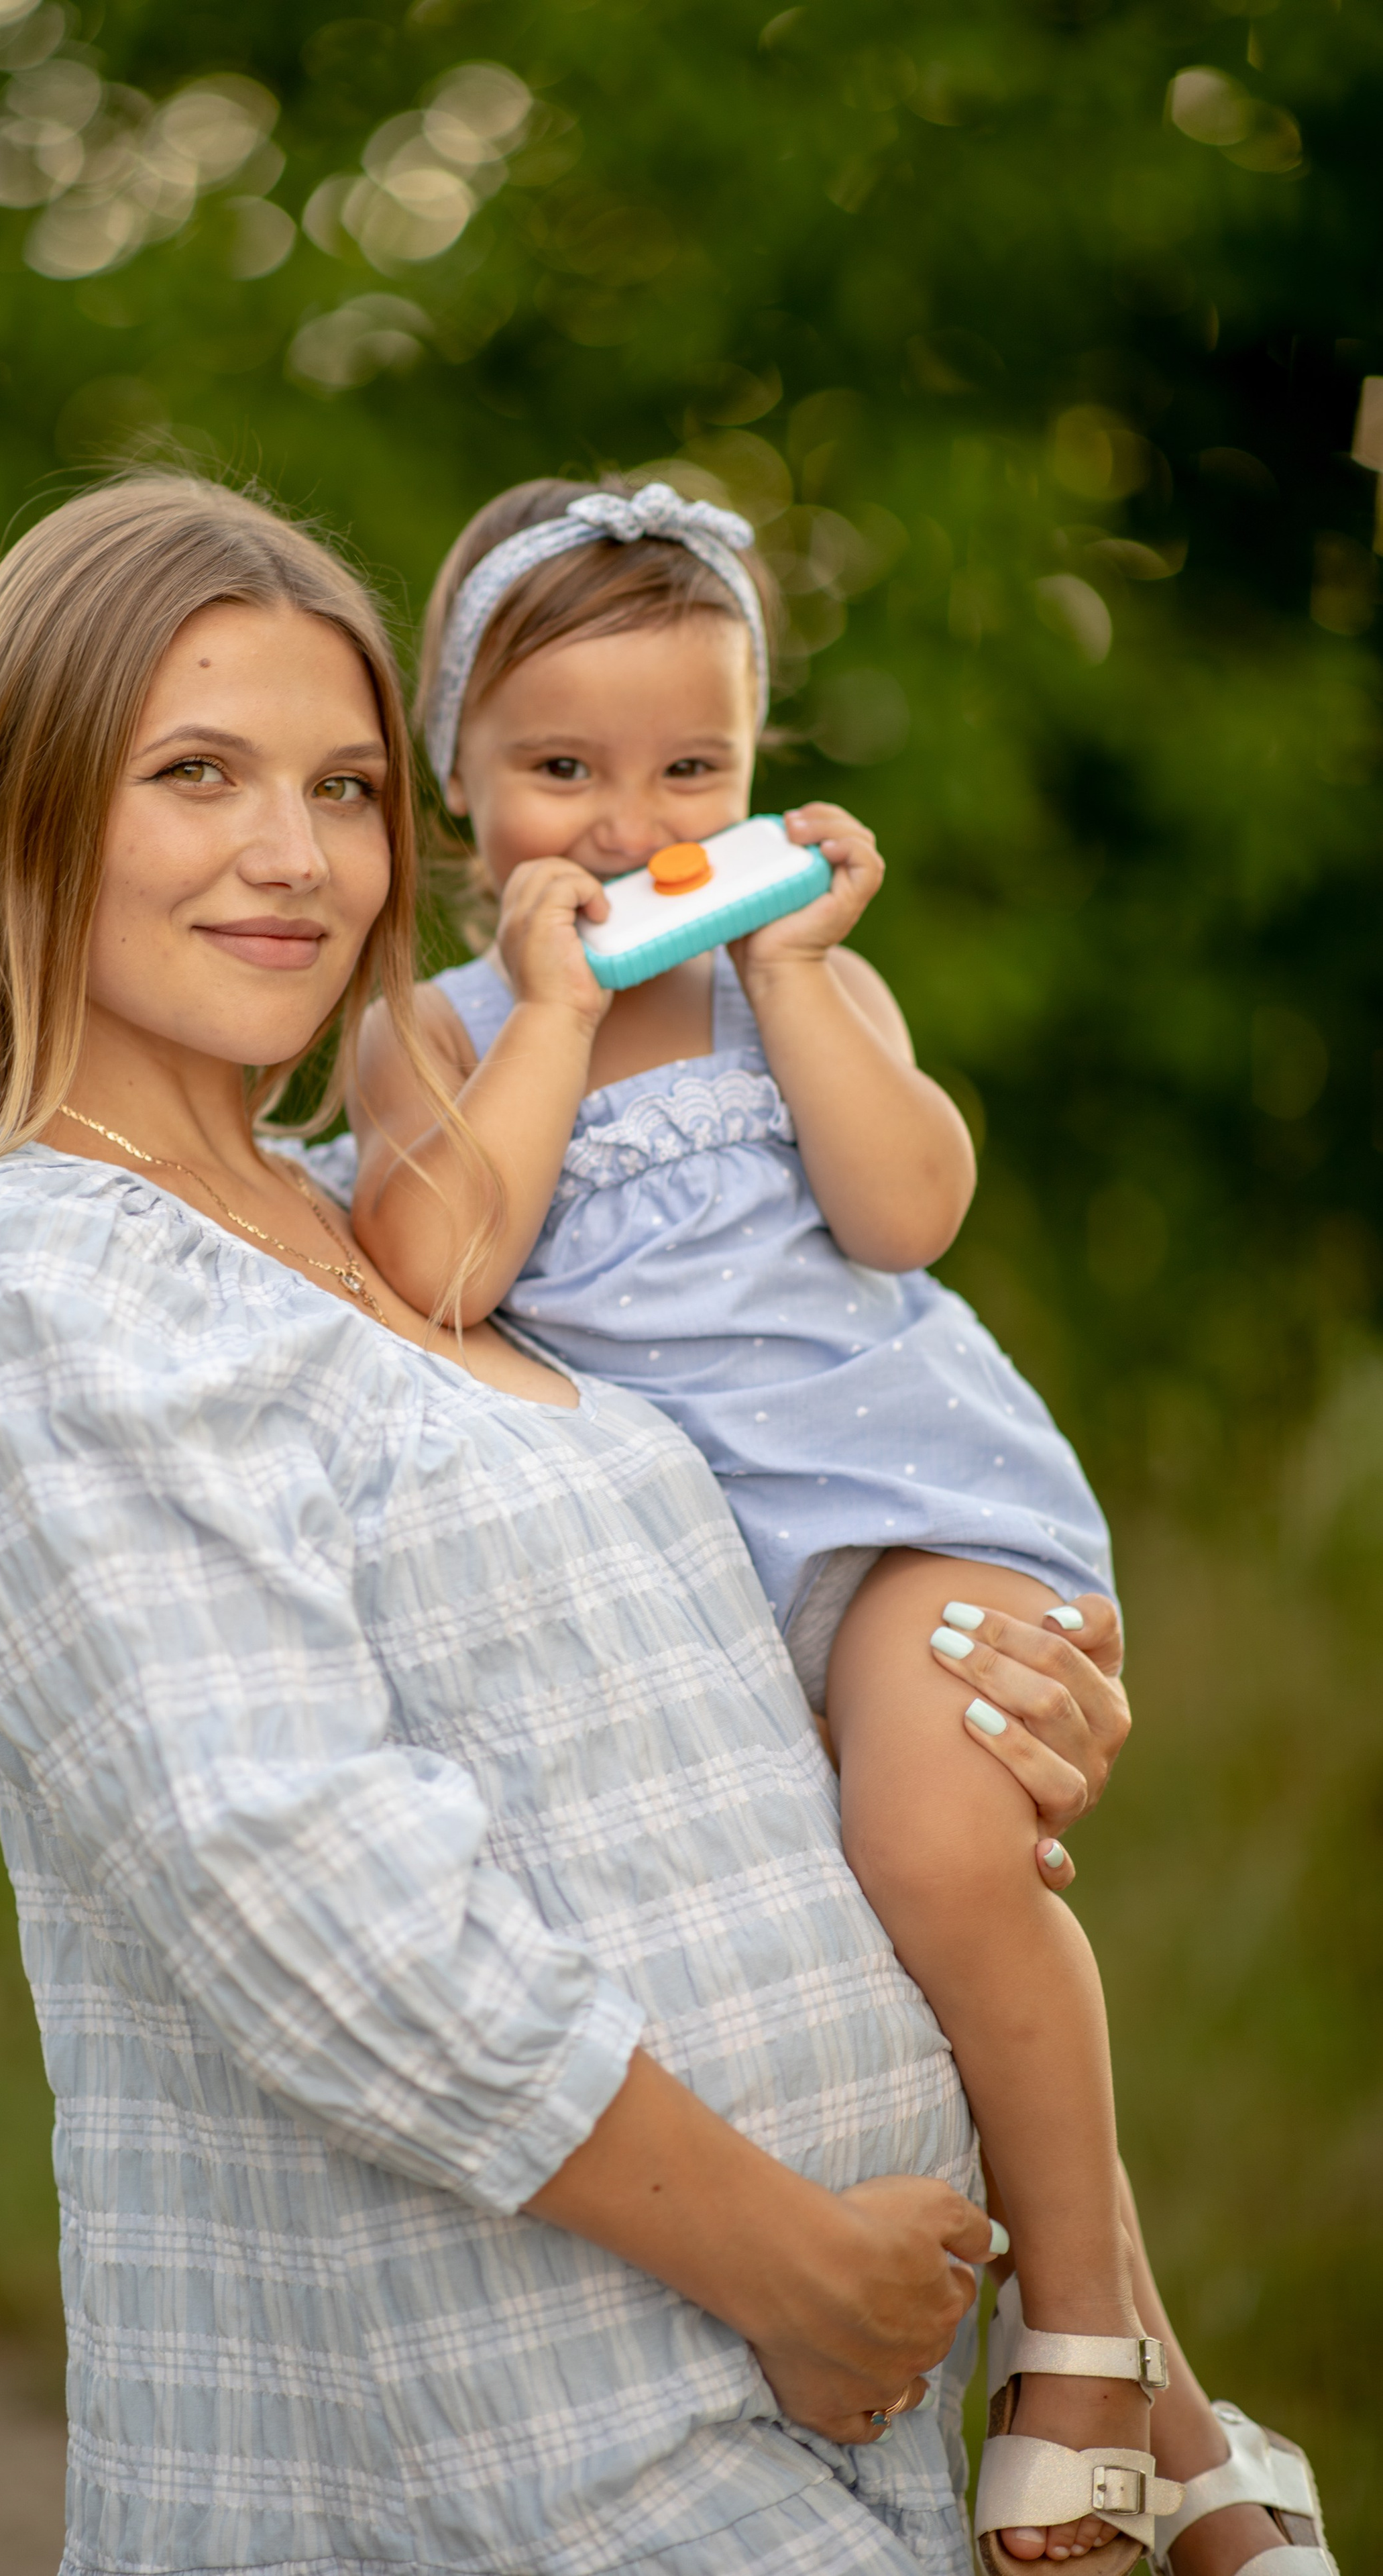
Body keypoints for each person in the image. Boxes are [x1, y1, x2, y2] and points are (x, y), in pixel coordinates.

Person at [0, 468, 1148, 2576]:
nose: (290, 855)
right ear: (29, 819)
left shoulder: (383, 1217)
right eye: (196, 774)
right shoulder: (43, 1270)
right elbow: (307, 1890)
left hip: (830, 2417)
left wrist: (979, 1711)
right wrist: (791, 2262)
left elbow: (665, 1695)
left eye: (335, 788)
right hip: (521, 2441)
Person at [345, 477, 1337, 2576]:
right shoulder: (427, 1036)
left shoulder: (794, 994)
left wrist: (799, 980)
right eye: (561, 772)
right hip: (718, 1602)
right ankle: (1196, 2453)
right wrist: (542, 1017)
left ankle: (1070, 2349)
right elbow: (439, 1258)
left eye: (690, 766)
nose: (627, 827)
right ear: (455, 786)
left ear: (757, 776)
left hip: (908, 1517)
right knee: (880, 1979)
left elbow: (907, 1215)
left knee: (936, 1855)